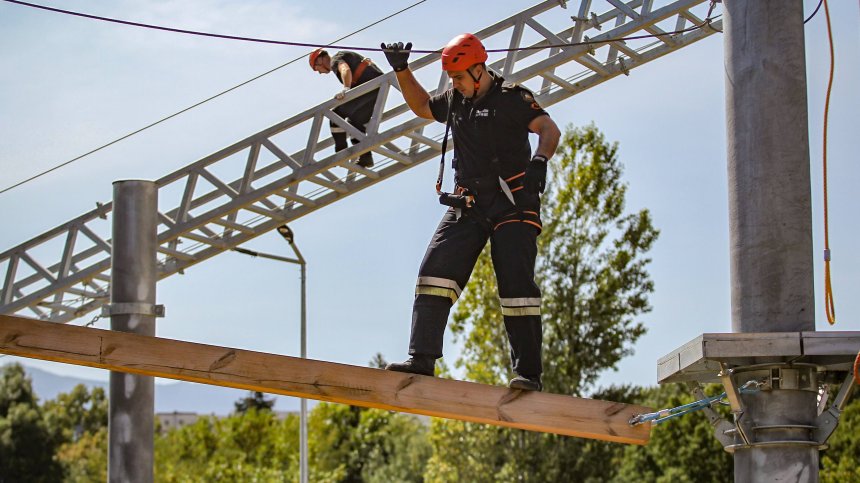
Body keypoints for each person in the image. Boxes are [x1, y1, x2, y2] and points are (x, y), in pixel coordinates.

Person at [380, 34, 561, 391]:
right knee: (434, 273)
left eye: (460, 77)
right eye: (452, 79)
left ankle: (528, 374)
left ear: (479, 70)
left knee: (515, 283)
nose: (455, 84)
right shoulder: (455, 100)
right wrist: (402, 70)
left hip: (513, 201)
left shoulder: (513, 98)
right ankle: (422, 358)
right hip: (470, 203)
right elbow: (420, 106)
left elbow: (548, 128)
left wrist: (540, 159)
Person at [309, 48, 383, 168]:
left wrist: (346, 89)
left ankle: (341, 153)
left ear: (320, 59)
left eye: (315, 67)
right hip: (377, 88)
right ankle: (365, 157)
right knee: (355, 123)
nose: (319, 72)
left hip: (369, 86)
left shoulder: (335, 60)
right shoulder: (342, 57)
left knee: (335, 117)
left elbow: (345, 69)